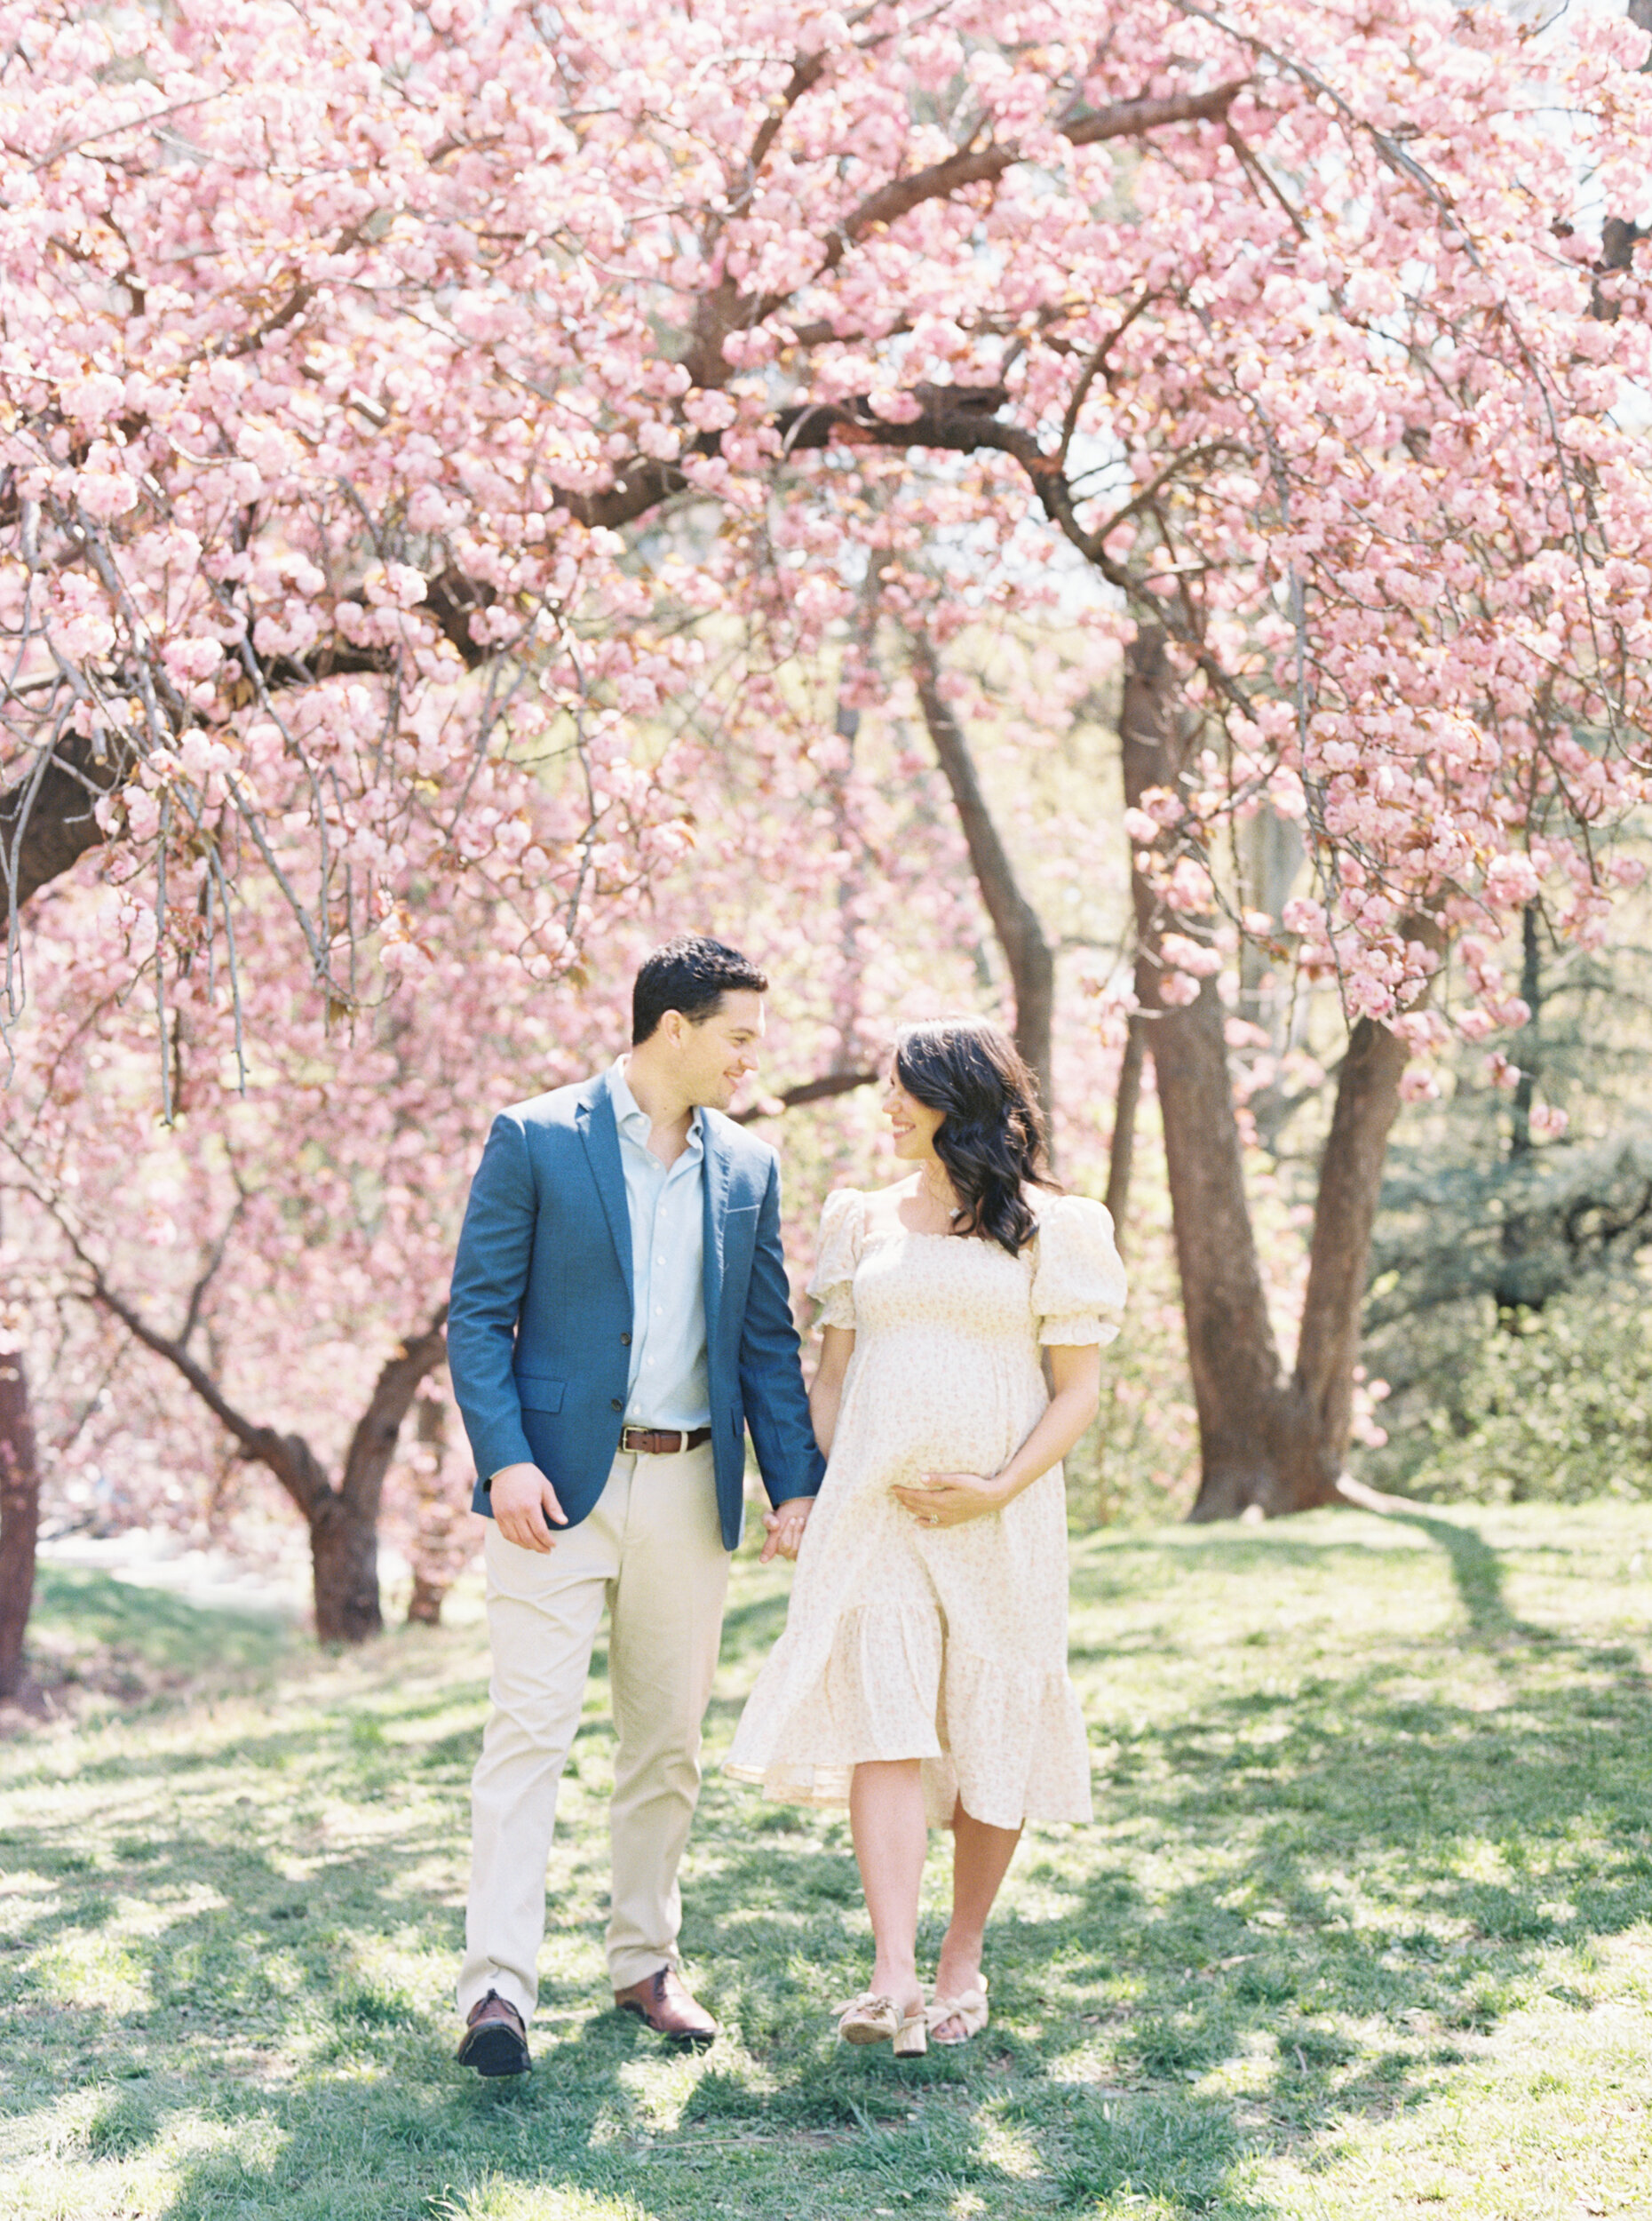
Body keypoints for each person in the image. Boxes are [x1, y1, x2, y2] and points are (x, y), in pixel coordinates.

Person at [446, 935, 824, 2076]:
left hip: (688, 1486)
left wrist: (795, 1477)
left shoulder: (749, 1166)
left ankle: (644, 1963)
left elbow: (764, 1337)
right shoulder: (535, 1136)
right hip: (552, 1491)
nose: (753, 1057)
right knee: (530, 1734)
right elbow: (477, 1314)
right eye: (739, 1036)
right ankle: (498, 1994)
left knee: (666, 1746)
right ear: (675, 1028)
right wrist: (505, 1458)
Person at [727, 1016, 1125, 2055]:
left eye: (905, 1089)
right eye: (884, 1089)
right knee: (886, 1719)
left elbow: (1076, 1394)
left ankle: (961, 1961)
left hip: (1005, 1517)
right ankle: (892, 1975)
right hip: (879, 1514)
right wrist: (817, 1489)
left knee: (995, 1715)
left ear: (965, 1098)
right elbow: (831, 1377)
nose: (886, 1107)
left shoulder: (1059, 1226)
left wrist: (996, 1486)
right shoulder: (861, 1219)